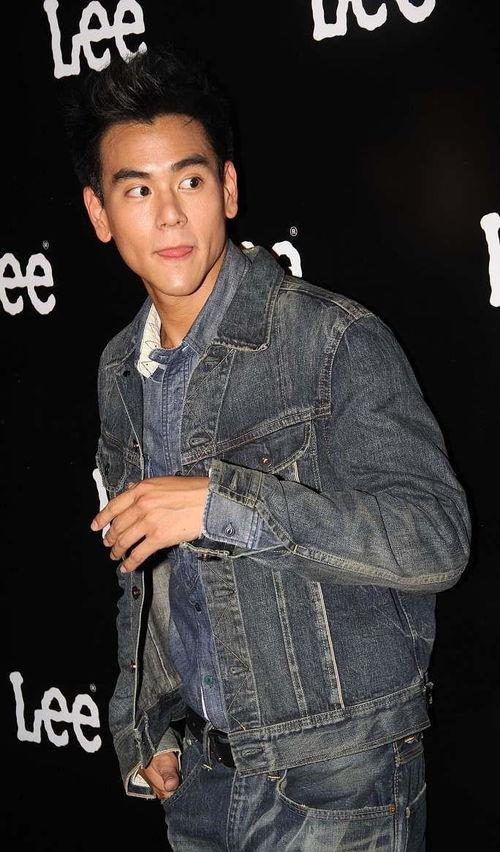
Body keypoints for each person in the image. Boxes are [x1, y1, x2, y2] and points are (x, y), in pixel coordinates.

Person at [65, 45, 470, 851]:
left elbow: (437, 539)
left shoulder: (329, 339)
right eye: (137, 190)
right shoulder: (119, 369)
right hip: (201, 790)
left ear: (228, 189)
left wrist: (225, 507)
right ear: (99, 214)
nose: (169, 215)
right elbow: (142, 567)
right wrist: (143, 721)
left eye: (189, 182)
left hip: (336, 789)